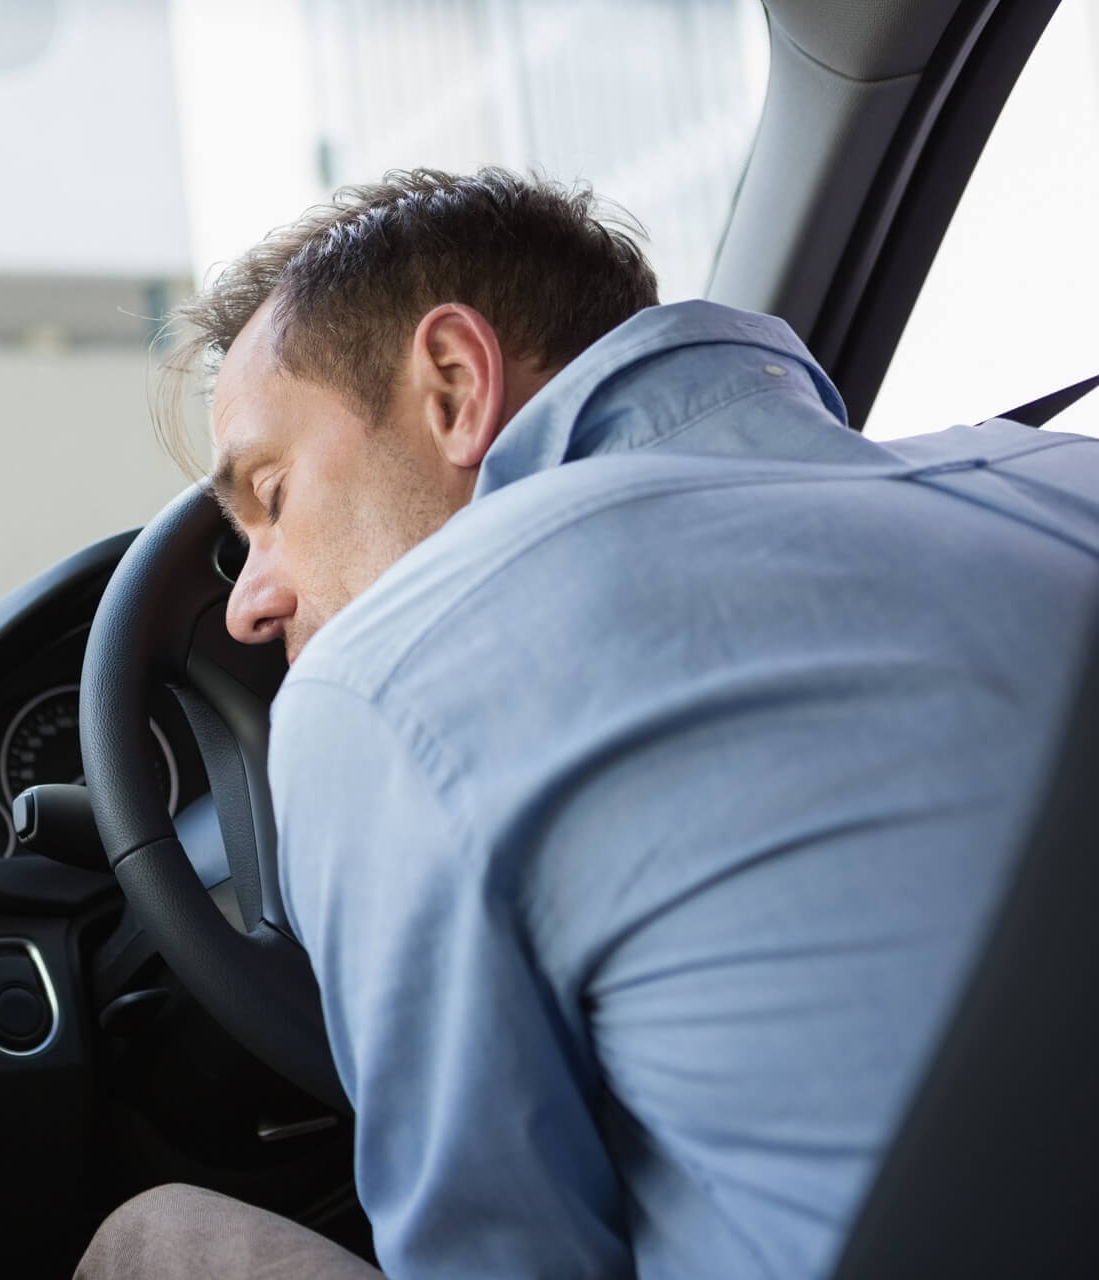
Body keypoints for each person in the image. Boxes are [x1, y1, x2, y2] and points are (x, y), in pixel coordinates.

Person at [75, 168, 1099, 1278]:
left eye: (271, 496)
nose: (245, 600)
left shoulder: (389, 679)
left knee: (152, 1237)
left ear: (457, 384)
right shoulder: (1062, 479)